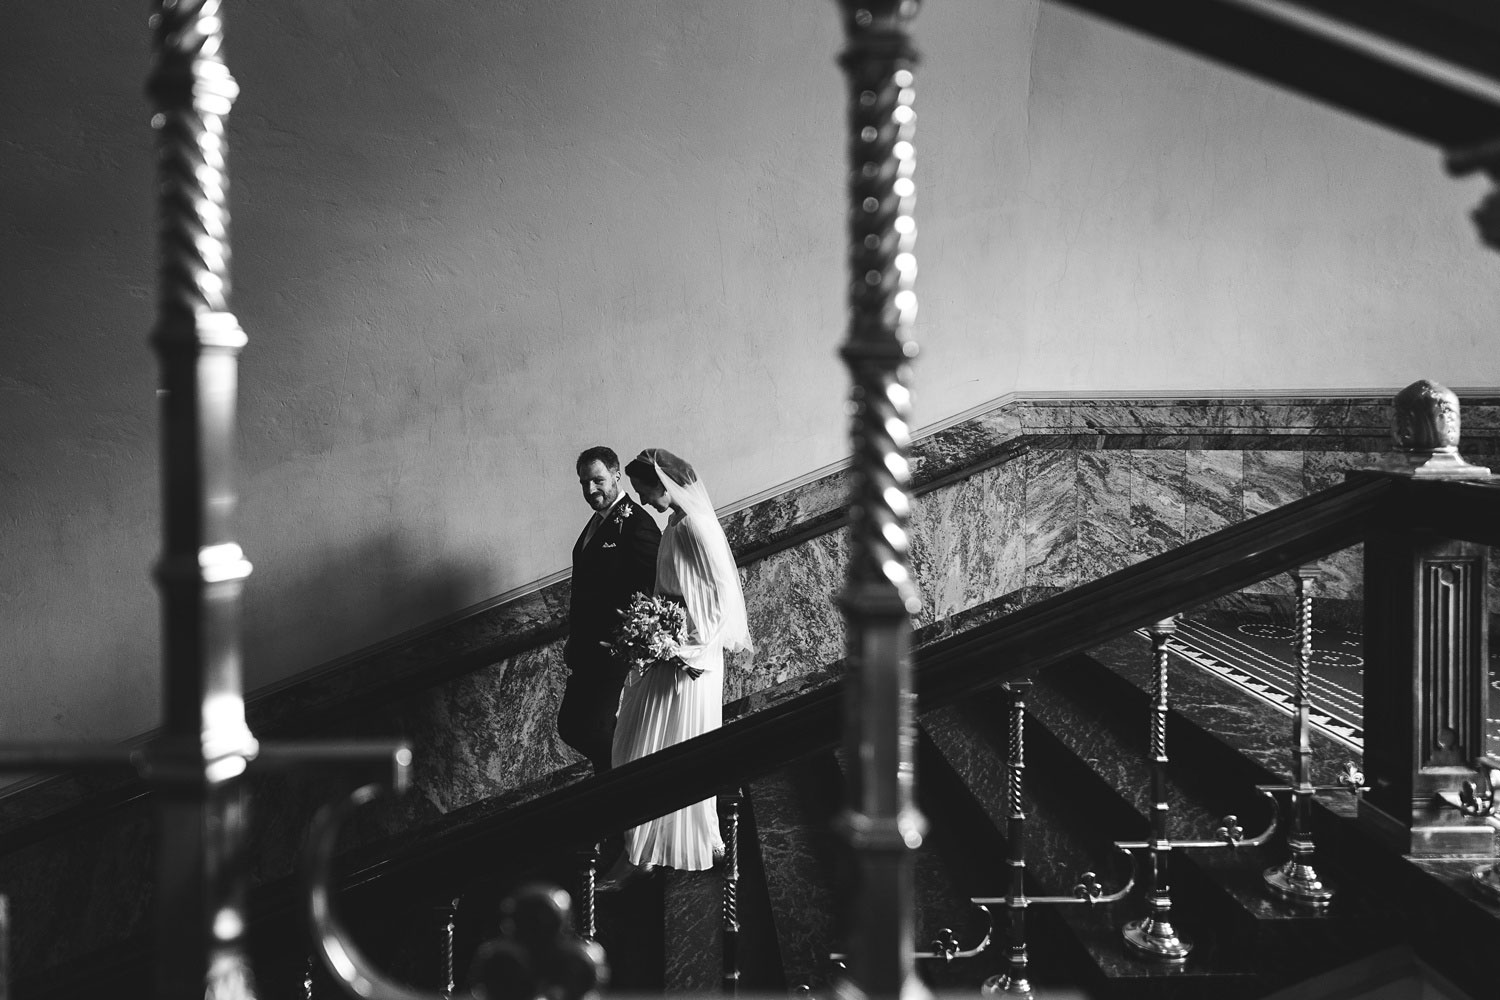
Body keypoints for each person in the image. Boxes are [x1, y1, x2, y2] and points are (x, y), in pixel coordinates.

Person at [598, 448, 752, 888]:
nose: (643, 500)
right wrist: (652, 630)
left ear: (665, 483)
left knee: (654, 749)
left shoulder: (695, 529)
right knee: (639, 745)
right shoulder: (676, 524)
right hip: (671, 653)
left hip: (689, 661)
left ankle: (648, 851)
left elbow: (717, 603)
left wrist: (676, 646)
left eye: (646, 491)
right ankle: (648, 847)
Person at [558, 446, 661, 775]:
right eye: (584, 483)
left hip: (613, 656)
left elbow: (656, 589)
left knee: (594, 730)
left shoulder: (638, 525)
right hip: (586, 653)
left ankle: (631, 783)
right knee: (571, 726)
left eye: (598, 480)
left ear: (617, 475)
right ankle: (621, 779)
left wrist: (632, 640)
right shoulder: (596, 523)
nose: (590, 490)